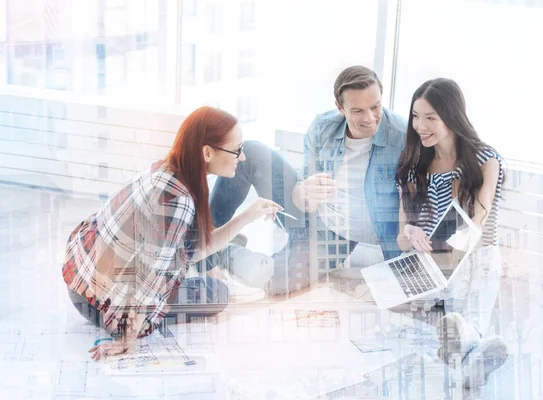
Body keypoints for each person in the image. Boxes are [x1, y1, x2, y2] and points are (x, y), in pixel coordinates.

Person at [61, 106, 282, 360]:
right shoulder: (178, 201)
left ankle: (229, 255)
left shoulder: (167, 169)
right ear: (207, 152)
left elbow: (193, 250)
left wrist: (248, 215)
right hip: (96, 303)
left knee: (190, 264)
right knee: (216, 293)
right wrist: (128, 335)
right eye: (237, 150)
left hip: (81, 280)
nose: (241, 158)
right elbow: (148, 279)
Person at [208, 65, 407, 295]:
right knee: (248, 153)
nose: (370, 118)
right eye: (358, 111)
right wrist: (302, 193)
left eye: (375, 107)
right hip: (309, 209)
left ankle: (223, 249)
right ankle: (203, 244)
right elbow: (303, 190)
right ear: (340, 108)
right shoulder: (323, 128)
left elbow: (415, 197)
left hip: (337, 233)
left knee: (273, 282)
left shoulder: (402, 136)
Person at [395, 78, 508, 388]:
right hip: (428, 262)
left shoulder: (486, 160)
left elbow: (477, 223)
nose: (420, 125)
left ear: (453, 116)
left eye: (431, 117)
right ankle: (473, 352)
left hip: (474, 254)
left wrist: (449, 258)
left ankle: (463, 347)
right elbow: (401, 238)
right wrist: (410, 229)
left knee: (480, 266)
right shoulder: (413, 166)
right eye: (416, 116)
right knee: (458, 314)